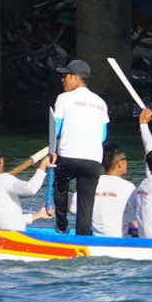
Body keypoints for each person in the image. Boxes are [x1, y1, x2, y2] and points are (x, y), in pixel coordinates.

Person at [47, 59, 109, 235]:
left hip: (68, 156)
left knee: (60, 188)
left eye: (65, 76)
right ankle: (83, 235)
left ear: (75, 78)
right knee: (86, 202)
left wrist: (53, 151)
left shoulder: (63, 98)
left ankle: (61, 226)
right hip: (93, 161)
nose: (62, 80)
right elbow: (103, 135)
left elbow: (56, 129)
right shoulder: (100, 102)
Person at [0, 148, 55, 230]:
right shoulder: (4, 179)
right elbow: (31, 189)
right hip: (13, 235)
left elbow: (6, 220)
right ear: (2, 161)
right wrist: (43, 164)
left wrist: (38, 215)